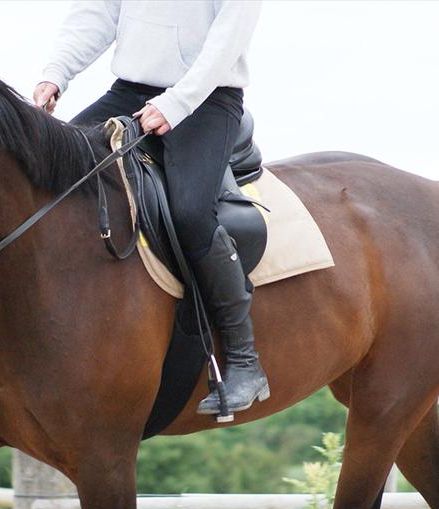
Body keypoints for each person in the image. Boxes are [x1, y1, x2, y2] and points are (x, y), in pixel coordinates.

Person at [34, 1, 268, 418]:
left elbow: (229, 37)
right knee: (48, 174)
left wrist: (177, 103)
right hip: (129, 92)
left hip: (207, 98)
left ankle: (244, 360)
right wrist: (56, 72)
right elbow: (98, 12)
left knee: (191, 215)